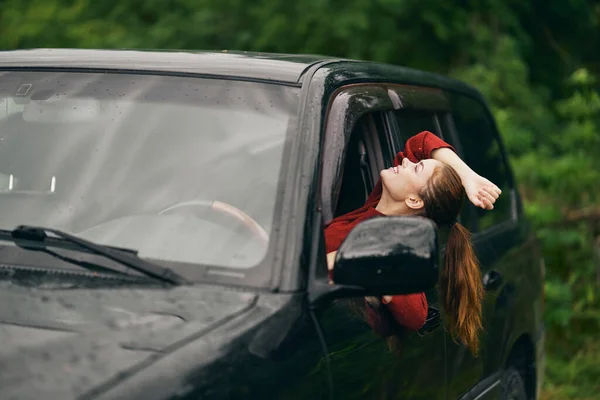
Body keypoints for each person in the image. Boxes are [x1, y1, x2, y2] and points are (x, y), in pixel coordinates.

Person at [325, 131, 501, 355]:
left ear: (414, 200)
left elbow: (416, 314)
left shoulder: (396, 247)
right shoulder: (378, 204)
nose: (406, 161)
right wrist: (467, 176)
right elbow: (421, 142)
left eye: (416, 168)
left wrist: (344, 264)